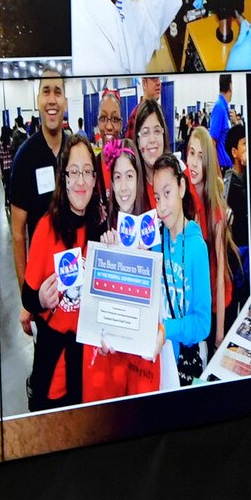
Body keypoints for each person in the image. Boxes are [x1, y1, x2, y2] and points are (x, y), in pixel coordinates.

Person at [21, 134, 106, 411]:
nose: (81, 181)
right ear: (64, 178)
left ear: (95, 178)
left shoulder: (100, 228)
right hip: (54, 357)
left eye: (87, 172)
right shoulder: (47, 227)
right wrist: (42, 302)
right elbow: (28, 297)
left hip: (88, 354)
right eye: (74, 172)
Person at [81, 144, 161, 402]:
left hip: (143, 357)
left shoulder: (154, 232)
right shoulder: (101, 234)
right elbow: (94, 310)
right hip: (112, 356)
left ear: (139, 180)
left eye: (129, 176)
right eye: (117, 177)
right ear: (111, 185)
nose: (124, 187)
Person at [7, 73, 69, 341]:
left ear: (65, 100)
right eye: (46, 92)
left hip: (75, 284)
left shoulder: (75, 151)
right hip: (43, 287)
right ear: (38, 100)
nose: (52, 99)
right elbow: (18, 233)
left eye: (58, 92)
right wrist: (27, 297)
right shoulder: (25, 158)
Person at [151, 155, 213, 387]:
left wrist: (167, 329)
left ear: (182, 187)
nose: (161, 207)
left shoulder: (197, 247)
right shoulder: (156, 241)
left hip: (188, 362)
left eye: (167, 193)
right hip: (161, 360)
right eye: (157, 197)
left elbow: (202, 323)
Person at [186, 126, 236, 352]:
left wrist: (219, 335)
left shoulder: (216, 212)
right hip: (192, 303)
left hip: (215, 304)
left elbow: (220, 275)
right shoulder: (181, 194)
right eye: (191, 153)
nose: (194, 163)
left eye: (200, 156)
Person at [223, 123, 251, 324]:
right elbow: (245, 203)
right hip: (238, 257)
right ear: (234, 152)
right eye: (244, 144)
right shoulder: (232, 183)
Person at [210, 74, 234, 171]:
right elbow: (212, 142)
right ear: (230, 86)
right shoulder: (219, 107)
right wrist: (218, 173)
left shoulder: (224, 108)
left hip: (227, 167)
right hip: (222, 169)